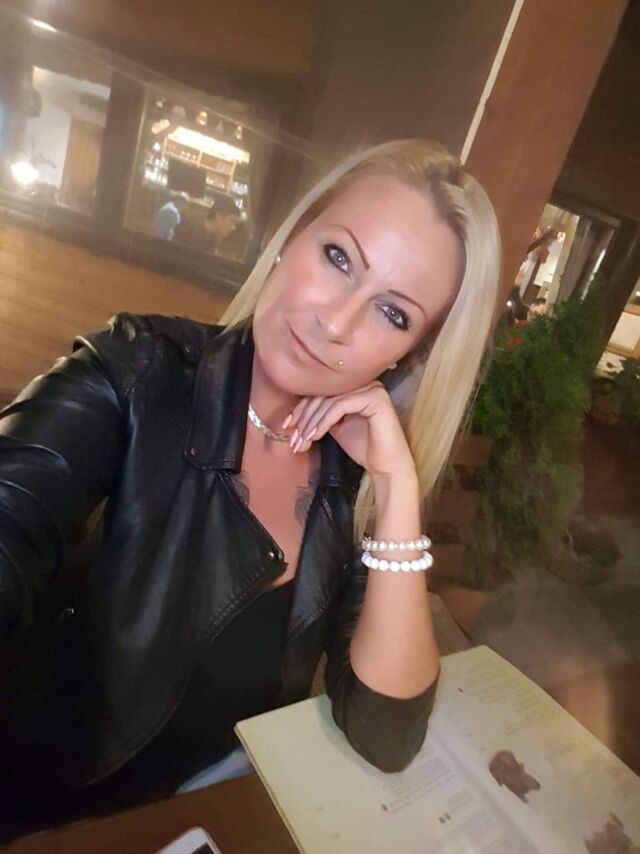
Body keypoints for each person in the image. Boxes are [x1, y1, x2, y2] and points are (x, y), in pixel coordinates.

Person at [0, 139, 500, 834]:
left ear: (408, 357)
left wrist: (396, 488)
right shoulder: (134, 378)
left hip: (210, 820)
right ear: (290, 238)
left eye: (392, 313)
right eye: (338, 257)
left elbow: (384, 733)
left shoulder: (350, 481)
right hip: (45, 822)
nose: (336, 323)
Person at [174, 193, 238, 251]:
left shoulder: (212, 237)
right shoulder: (190, 232)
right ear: (218, 216)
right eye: (232, 221)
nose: (233, 228)